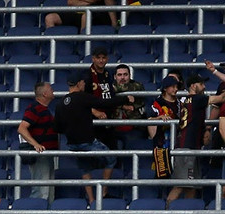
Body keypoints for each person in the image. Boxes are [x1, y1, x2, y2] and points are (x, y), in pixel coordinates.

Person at [53, 73, 135, 203]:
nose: (85, 84)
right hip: (87, 141)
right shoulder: (82, 97)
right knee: (111, 158)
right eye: (83, 82)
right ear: (79, 83)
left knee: (85, 169)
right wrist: (124, 99)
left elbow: (57, 128)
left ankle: (91, 199)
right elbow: (103, 103)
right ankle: (103, 192)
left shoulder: (60, 103)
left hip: (73, 144)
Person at [18, 81, 59, 201]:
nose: (53, 91)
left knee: (48, 190)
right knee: (41, 191)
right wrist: (36, 144)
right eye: (50, 89)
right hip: (40, 155)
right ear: (45, 94)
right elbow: (22, 128)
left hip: (47, 154)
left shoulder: (45, 109)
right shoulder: (35, 108)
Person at [112, 64, 148, 150]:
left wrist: (116, 99)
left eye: (125, 74)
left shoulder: (137, 86)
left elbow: (123, 88)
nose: (122, 78)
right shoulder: (109, 87)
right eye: (119, 75)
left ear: (130, 76)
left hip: (134, 127)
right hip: (113, 127)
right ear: (114, 77)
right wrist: (123, 105)